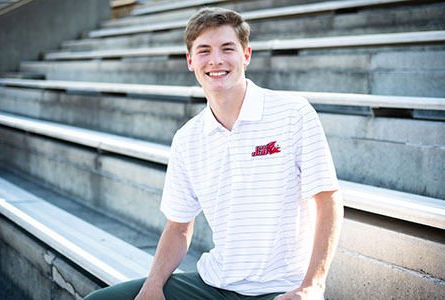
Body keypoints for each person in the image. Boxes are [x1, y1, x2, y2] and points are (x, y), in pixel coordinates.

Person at [85, 7, 343, 300]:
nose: (216, 60)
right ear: (190, 61)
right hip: (214, 286)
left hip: (283, 289)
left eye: (227, 48)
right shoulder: (187, 139)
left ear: (246, 55)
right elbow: (178, 227)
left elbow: (329, 199)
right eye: (204, 50)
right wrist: (153, 285)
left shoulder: (293, 114)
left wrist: (312, 285)